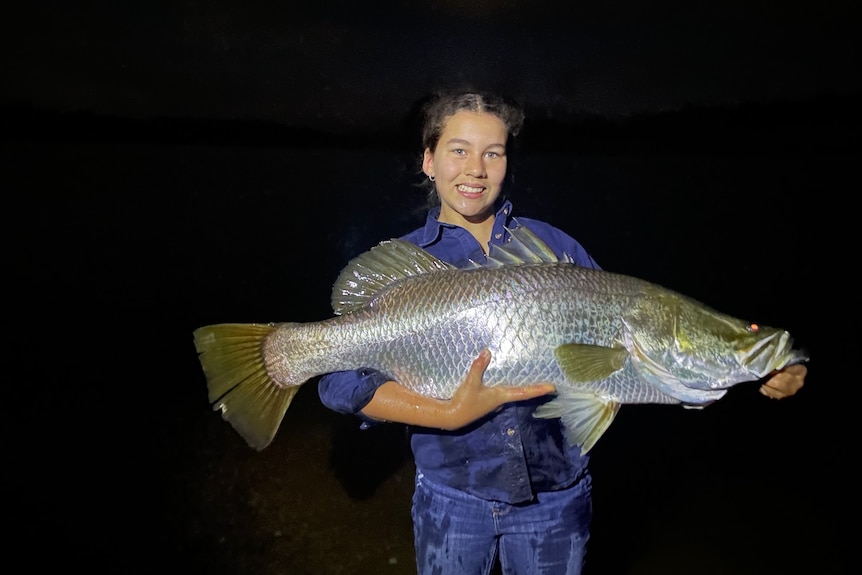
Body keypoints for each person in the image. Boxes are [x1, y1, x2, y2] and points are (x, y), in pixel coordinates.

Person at [317, 91, 807, 575]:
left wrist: (764, 367)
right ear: (428, 160)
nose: (476, 169)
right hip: (452, 498)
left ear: (508, 162)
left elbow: (646, 374)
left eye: (494, 152)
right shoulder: (408, 268)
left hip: (556, 499)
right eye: (458, 150)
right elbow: (335, 382)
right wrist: (445, 413)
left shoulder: (559, 249)